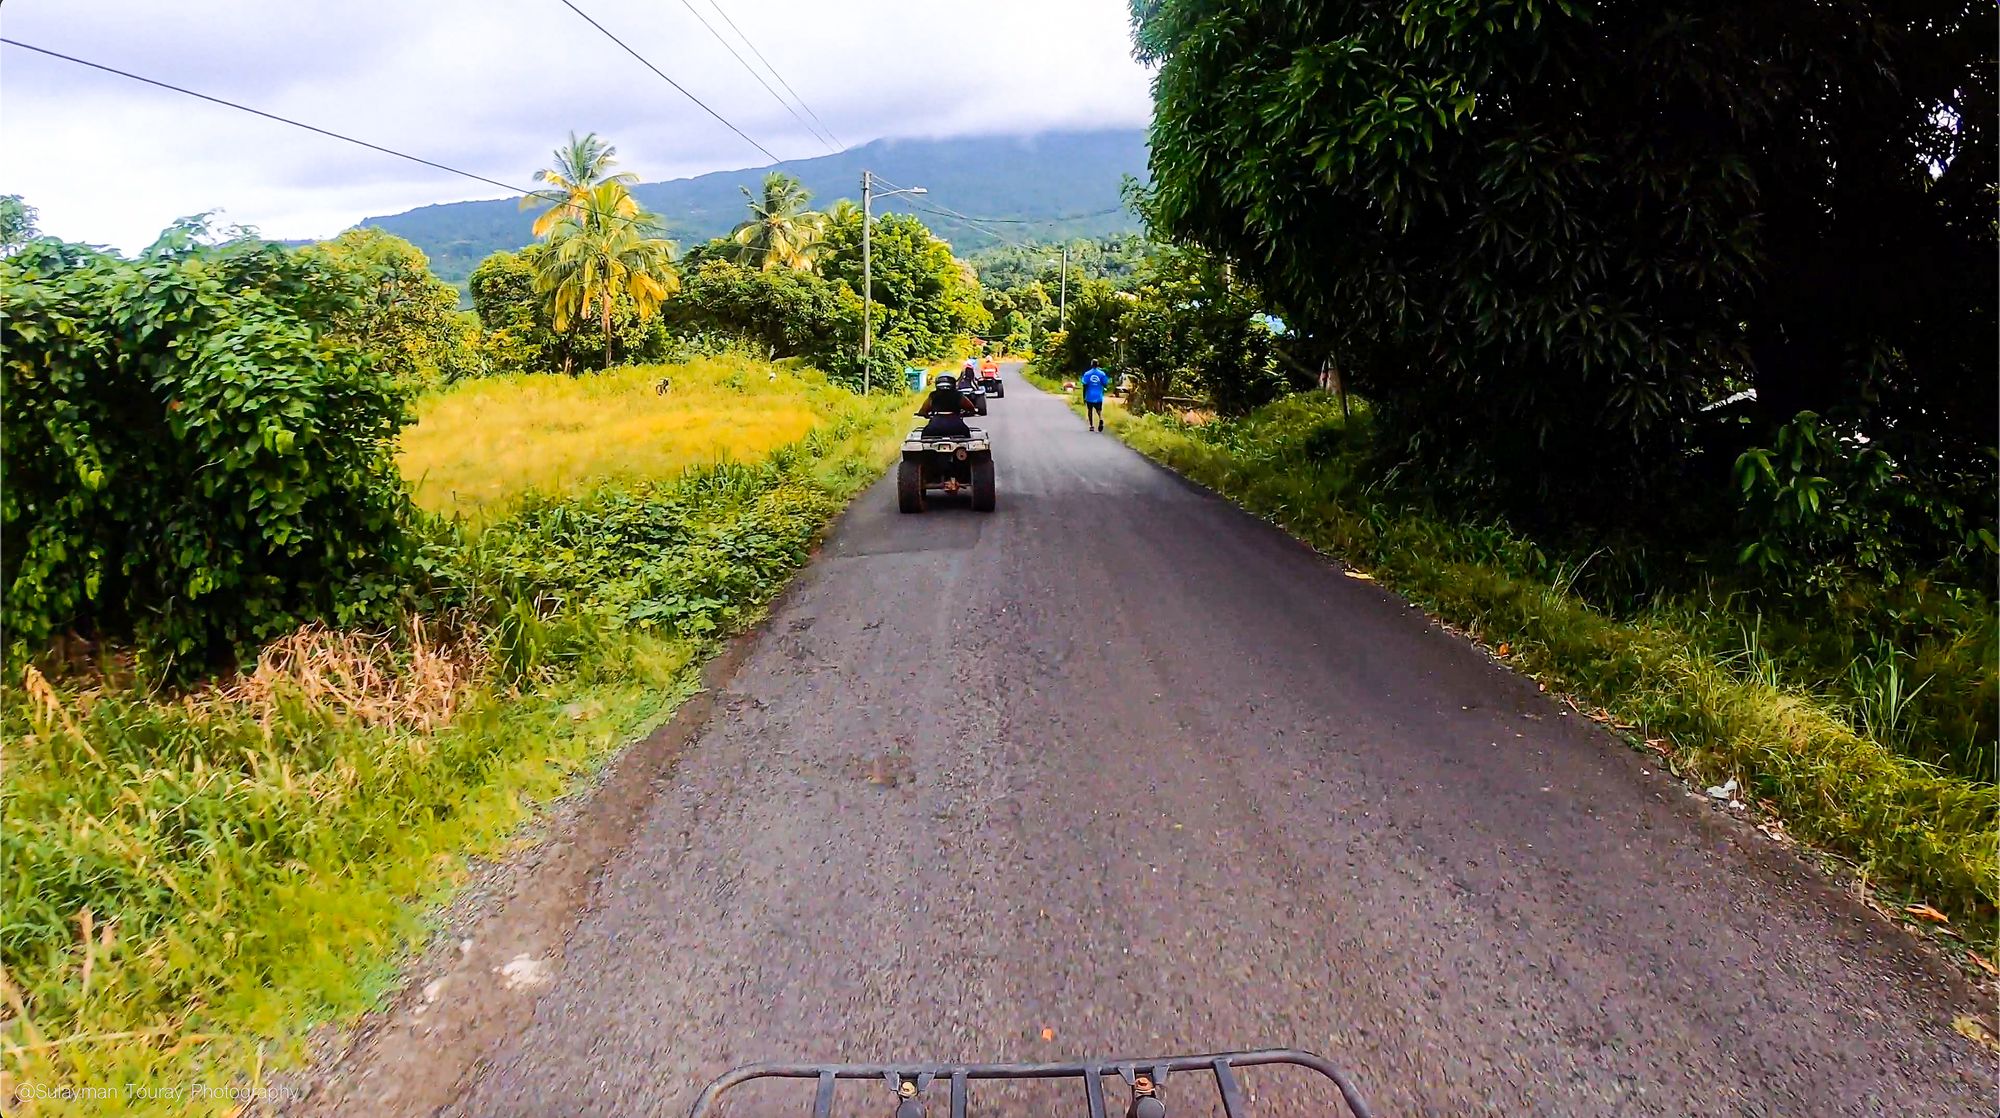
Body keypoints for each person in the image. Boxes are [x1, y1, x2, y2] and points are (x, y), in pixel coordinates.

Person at [917, 374, 977, 439]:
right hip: (956, 425)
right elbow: (971, 408)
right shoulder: (958, 395)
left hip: (935, 426)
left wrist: (925, 414)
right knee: (967, 436)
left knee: (924, 437)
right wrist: (967, 413)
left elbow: (923, 411)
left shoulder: (933, 395)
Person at [1079, 360, 1110, 431]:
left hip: (1089, 395)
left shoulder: (1087, 374)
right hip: (1098, 395)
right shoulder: (1102, 374)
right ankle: (1100, 418)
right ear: (1098, 364)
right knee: (1099, 410)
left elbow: (1084, 384)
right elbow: (1105, 383)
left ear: (1091, 364)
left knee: (1090, 410)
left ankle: (1091, 425)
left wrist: (1084, 396)